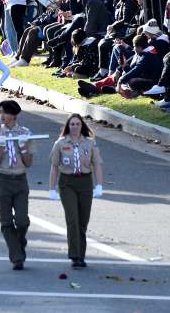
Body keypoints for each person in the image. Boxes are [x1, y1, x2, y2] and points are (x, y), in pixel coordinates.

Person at [48, 114, 105, 269]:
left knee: (82, 221)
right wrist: (52, 189)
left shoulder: (90, 143)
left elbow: (97, 164)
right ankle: (75, 255)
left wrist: (99, 185)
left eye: (77, 124)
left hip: (85, 182)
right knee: (72, 218)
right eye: (72, 124)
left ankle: (81, 255)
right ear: (68, 126)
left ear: (82, 126)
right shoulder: (60, 143)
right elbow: (54, 167)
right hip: (67, 182)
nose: (74, 127)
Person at [0, 100, 33, 270]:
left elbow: (28, 163)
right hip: (3, 180)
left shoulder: (25, 133)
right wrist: (1, 148)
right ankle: (17, 257)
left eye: (6, 112)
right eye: (0, 113)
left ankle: (19, 242)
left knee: (22, 220)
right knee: (5, 221)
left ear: (14, 115)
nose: (2, 116)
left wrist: (24, 148)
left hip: (20, 180)